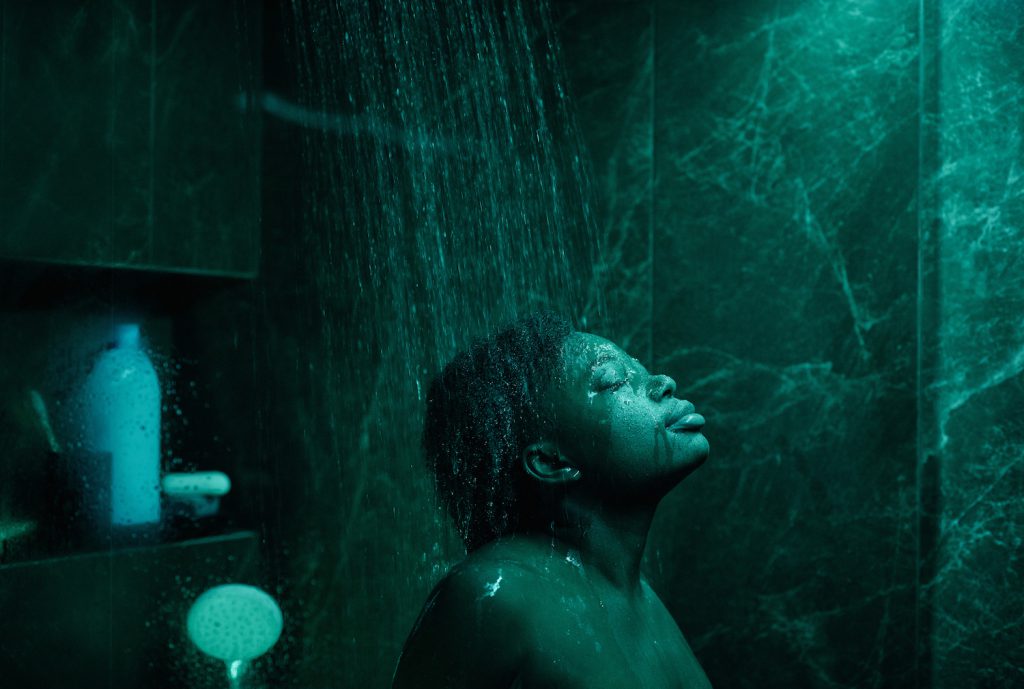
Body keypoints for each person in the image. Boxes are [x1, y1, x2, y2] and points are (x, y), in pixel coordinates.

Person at [392, 312, 713, 689]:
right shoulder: (493, 593)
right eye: (613, 381)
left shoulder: (638, 596)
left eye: (639, 367)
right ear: (551, 461)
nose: (663, 382)